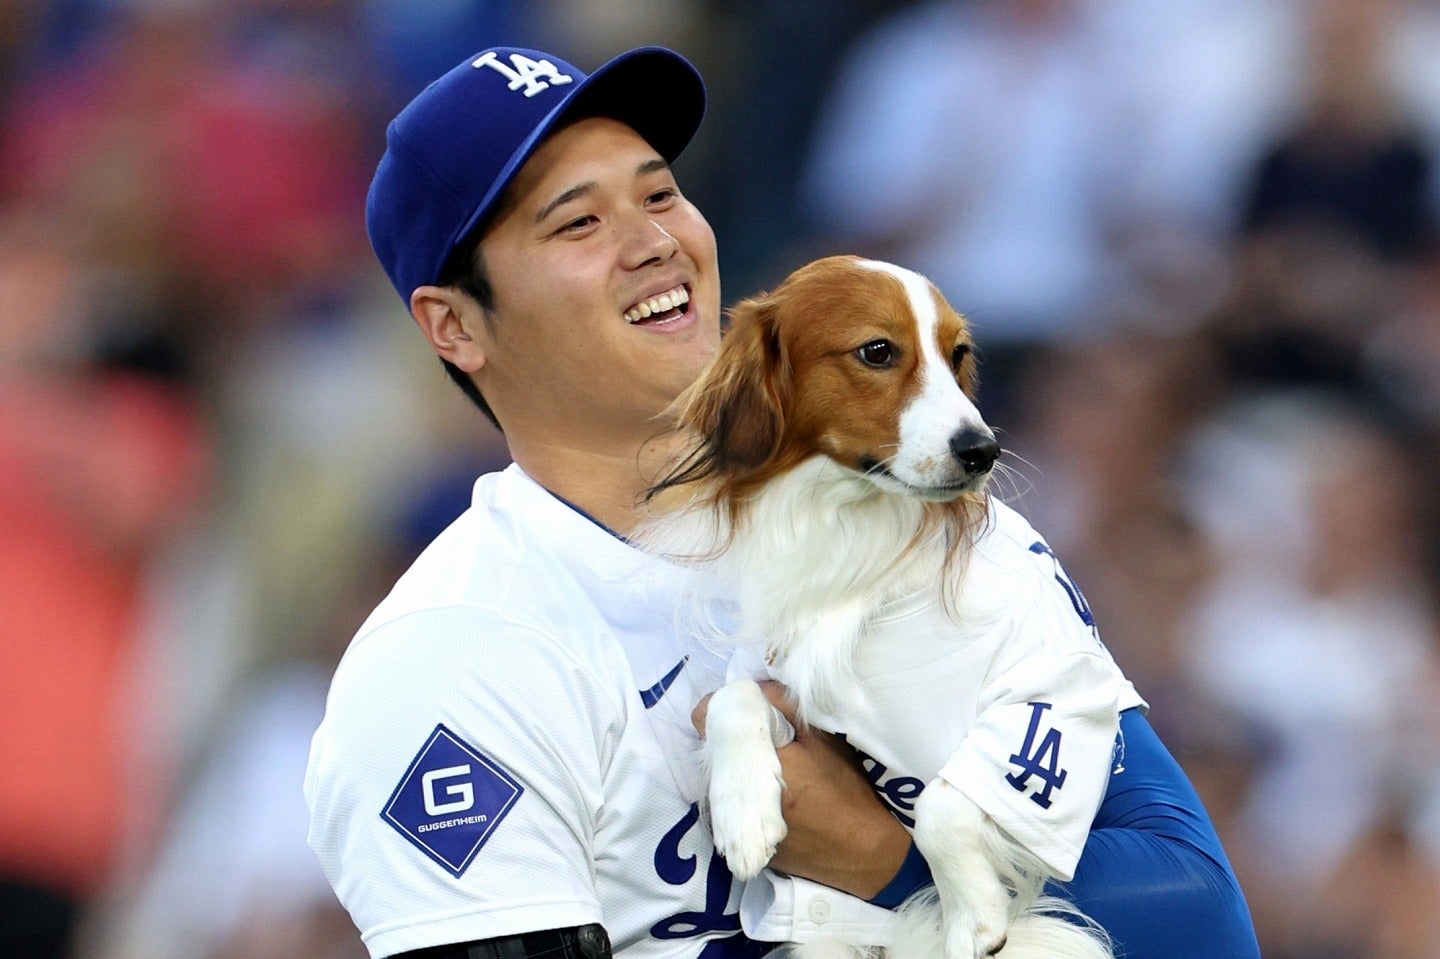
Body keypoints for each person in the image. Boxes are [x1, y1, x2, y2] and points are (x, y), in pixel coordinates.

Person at [304, 44, 1261, 959]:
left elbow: (1203, 921)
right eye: (578, 222)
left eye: (661, 192)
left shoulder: (927, 512)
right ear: (455, 323)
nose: (653, 241)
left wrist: (881, 859)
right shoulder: (452, 657)